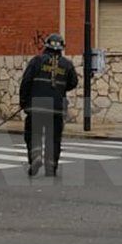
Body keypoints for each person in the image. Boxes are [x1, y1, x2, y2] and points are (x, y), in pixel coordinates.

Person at [19, 34, 78, 176]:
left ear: (46, 46)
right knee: (54, 138)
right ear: (61, 48)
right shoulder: (67, 65)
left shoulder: (36, 61)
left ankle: (36, 157)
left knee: (33, 134)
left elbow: (26, 82)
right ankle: (51, 167)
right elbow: (73, 82)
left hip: (36, 107)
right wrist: (60, 88)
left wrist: (24, 102)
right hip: (56, 108)